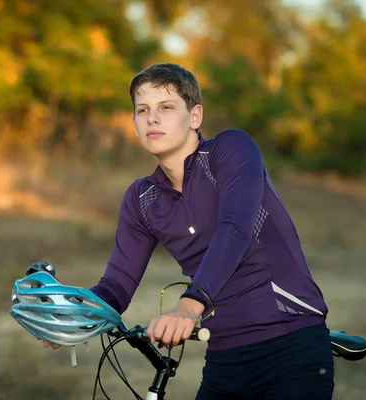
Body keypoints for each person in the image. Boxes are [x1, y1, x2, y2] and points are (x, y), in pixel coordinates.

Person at [42, 62, 334, 399]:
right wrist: (75, 316)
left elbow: (235, 229)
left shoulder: (230, 151)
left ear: (194, 116)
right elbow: (117, 285)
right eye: (142, 110)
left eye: (166, 107)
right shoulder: (141, 198)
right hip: (224, 359)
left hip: (291, 346)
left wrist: (187, 307)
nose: (152, 118)